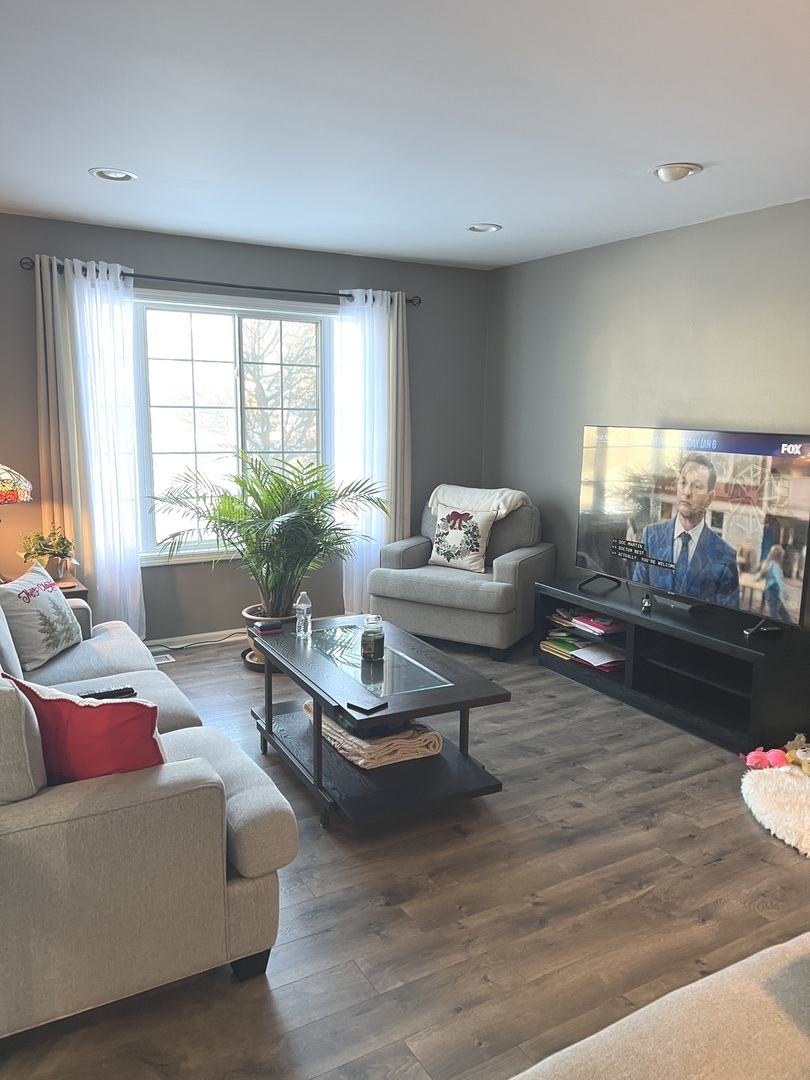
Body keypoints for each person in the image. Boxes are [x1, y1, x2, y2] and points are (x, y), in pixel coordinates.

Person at [632, 452, 740, 608]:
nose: (687, 492)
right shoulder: (651, 536)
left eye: (696, 486)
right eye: (683, 483)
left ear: (709, 499)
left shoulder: (726, 556)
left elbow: (728, 621)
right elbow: (637, 594)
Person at [760, 543, 792, 623]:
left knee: (782, 611)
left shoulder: (768, 563)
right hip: (774, 593)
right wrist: (784, 593)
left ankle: (788, 622)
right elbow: (779, 581)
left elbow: (760, 575)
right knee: (774, 614)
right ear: (780, 556)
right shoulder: (776, 567)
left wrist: (755, 579)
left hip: (768, 592)